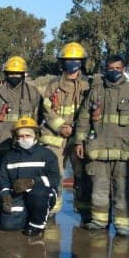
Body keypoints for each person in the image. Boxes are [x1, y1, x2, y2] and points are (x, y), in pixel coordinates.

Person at [74, 55, 129, 236]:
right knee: (99, 188)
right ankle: (99, 221)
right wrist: (79, 141)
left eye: (118, 68)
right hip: (98, 150)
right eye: (110, 68)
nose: (114, 71)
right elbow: (84, 118)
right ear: (105, 69)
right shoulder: (96, 91)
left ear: (124, 69)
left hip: (125, 152)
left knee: (122, 191)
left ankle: (123, 225)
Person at [41, 42, 92, 220]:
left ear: (82, 62)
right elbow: (47, 109)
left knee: (83, 176)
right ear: (62, 62)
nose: (72, 63)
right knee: (55, 175)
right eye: (68, 60)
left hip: (79, 137)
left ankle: (84, 210)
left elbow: (90, 111)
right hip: (56, 137)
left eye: (75, 60)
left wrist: (76, 129)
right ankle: (53, 210)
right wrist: (61, 126)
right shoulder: (53, 85)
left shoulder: (89, 85)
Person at [0, 117, 60, 237]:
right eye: (21, 136)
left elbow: (54, 179)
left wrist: (32, 182)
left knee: (40, 195)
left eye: (28, 135)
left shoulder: (47, 154)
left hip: (42, 194)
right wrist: (5, 196)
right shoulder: (9, 156)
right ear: (16, 137)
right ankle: (24, 214)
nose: (24, 139)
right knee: (7, 225)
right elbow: (3, 180)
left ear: (35, 136)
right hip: (18, 195)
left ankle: (37, 224)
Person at [0, 56, 42, 153]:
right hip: (2, 142)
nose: (14, 76)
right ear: (6, 74)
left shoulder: (33, 92)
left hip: (25, 141)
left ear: (23, 74)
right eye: (11, 73)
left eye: (17, 74)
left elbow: (38, 117)